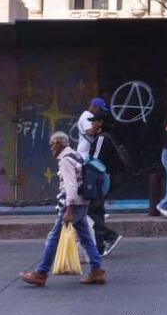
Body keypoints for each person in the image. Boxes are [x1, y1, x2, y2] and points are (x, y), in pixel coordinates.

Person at [19, 131, 106, 287]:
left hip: (72, 205)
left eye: (51, 145)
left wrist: (69, 209)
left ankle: (41, 273)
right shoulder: (76, 155)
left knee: (53, 237)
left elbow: (70, 186)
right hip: (83, 202)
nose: (51, 148)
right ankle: (97, 270)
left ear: (58, 144)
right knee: (85, 237)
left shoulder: (66, 160)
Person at [84, 111, 125, 256]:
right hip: (104, 179)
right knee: (98, 211)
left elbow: (95, 163)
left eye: (93, 121)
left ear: (100, 123)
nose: (91, 124)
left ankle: (110, 235)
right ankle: (100, 247)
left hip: (100, 179)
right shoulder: (105, 137)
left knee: (88, 212)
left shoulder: (101, 138)